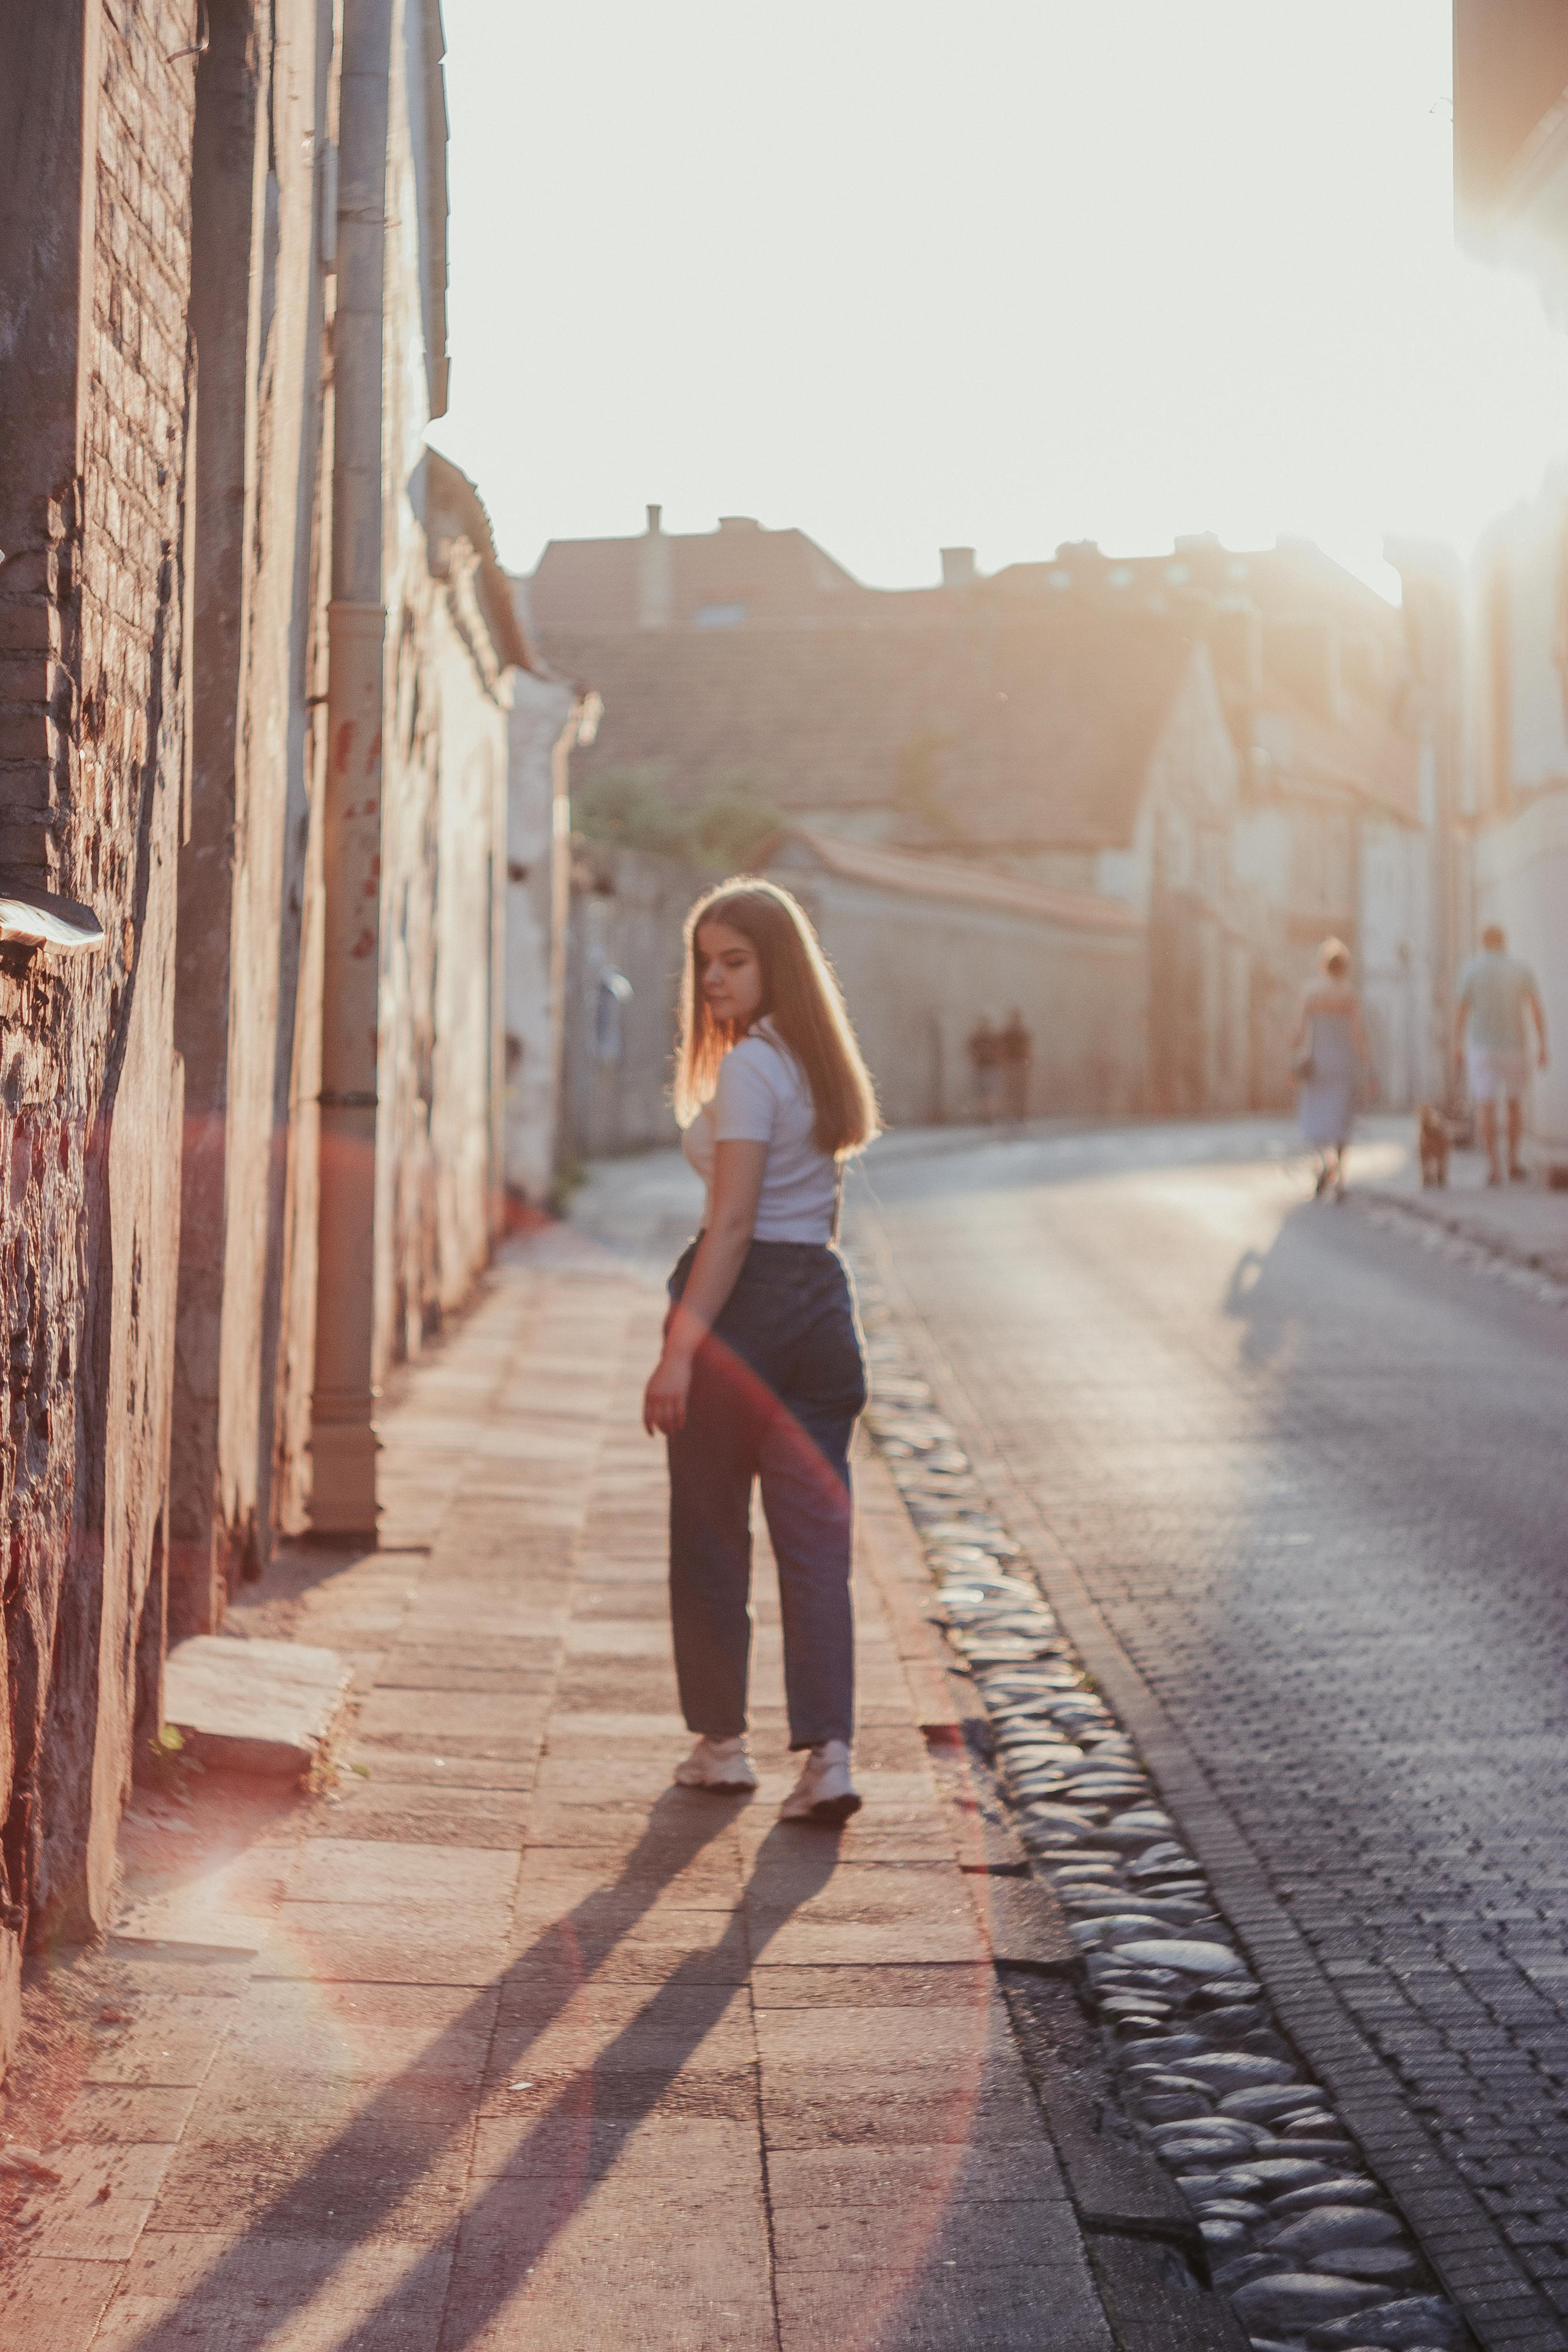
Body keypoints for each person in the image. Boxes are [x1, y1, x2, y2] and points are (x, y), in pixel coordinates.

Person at [643, 877, 880, 1825]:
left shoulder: (747, 1069)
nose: (713, 980)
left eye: (734, 961)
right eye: (705, 963)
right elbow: (814, 1211)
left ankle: (723, 1746)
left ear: (776, 964)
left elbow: (733, 1222)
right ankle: (830, 1758)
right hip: (822, 1305)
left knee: (710, 1538)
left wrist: (679, 1351)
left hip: (747, 1309)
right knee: (816, 1548)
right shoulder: (820, 1062)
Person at [1453, 923, 1548, 1185]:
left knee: (1486, 1105)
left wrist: (1457, 1045)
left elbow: (1461, 1011)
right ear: (1504, 942)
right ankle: (1513, 1162)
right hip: (1514, 1045)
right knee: (1514, 1103)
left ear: (1483, 942)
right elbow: (1536, 1008)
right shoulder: (1520, 969)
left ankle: (1493, 1167)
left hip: (1482, 1047)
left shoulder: (1471, 969)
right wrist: (1543, 1045)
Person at [1291, 937, 1368, 1201]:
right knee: (1342, 1117)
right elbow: (1358, 1035)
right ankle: (1341, 1175)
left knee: (1317, 1115)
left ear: (1323, 965)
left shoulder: (1311, 993)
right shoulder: (1350, 995)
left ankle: (1323, 1162)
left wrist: (1293, 1058)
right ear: (1345, 967)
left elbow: (1299, 1031)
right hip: (1344, 1063)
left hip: (1319, 1063)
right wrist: (1367, 1066)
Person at [999, 1009, 1033, 1123]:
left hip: (1021, 1065)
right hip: (1010, 1065)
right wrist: (1003, 1063)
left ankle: (1021, 1114)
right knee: (1010, 1091)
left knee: (1021, 1092)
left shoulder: (1024, 1033)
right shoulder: (1006, 1034)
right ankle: (1011, 1114)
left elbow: (1028, 1049)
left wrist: (1028, 1062)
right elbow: (1001, 1049)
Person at [966, 1013, 1001, 1122]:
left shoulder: (993, 1039)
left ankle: (990, 1116)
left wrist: (995, 1061)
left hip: (991, 1068)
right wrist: (975, 1059)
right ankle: (982, 1116)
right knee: (981, 1094)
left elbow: (1000, 1052)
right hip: (980, 1069)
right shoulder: (976, 1039)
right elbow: (969, 1051)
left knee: (990, 1093)